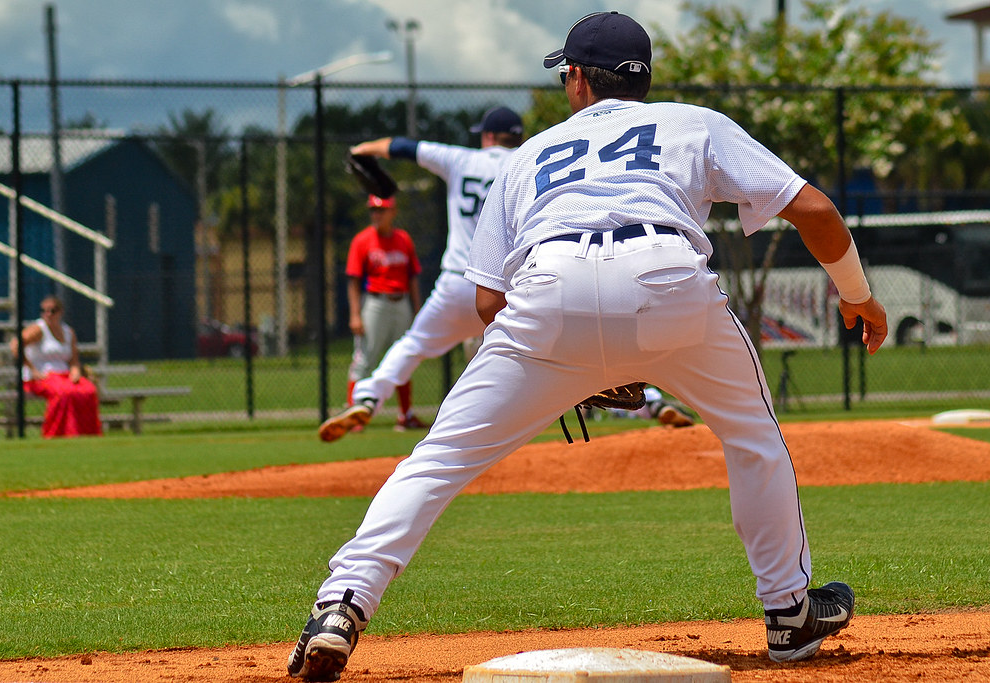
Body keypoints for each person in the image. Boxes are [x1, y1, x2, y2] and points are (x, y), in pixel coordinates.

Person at [288, 11, 888, 680]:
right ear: (644, 81)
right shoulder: (694, 122)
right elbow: (816, 211)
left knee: (439, 459)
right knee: (754, 435)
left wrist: (575, 359)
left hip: (549, 287)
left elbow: (487, 301)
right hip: (668, 277)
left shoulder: (529, 154)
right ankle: (788, 612)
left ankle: (341, 604)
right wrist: (856, 295)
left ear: (575, 78)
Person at [319, 106, 523, 442]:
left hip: (459, 282)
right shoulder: (528, 160)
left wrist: (361, 151)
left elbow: (403, 147)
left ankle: (369, 397)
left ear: (487, 136)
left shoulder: (461, 159)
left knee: (413, 344)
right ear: (518, 137)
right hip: (508, 288)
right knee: (525, 350)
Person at [343, 194, 424, 431]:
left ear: (393, 212)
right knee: (364, 359)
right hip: (375, 303)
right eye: (373, 210)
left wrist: (418, 311)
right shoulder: (362, 241)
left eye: (381, 210)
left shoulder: (403, 239)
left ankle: (405, 415)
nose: (376, 215)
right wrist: (355, 314)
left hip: (401, 303)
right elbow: (353, 281)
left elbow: (413, 278)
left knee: (403, 359)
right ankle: (353, 414)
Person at [9, 295, 103, 438]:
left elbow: (74, 359)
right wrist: (32, 369)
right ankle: (56, 434)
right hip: (40, 377)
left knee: (88, 390)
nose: (48, 314)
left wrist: (75, 371)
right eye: (44, 310)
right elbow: (16, 345)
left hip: (64, 375)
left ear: (60, 312)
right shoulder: (38, 329)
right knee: (63, 392)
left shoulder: (68, 331)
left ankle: (87, 434)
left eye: (52, 310)